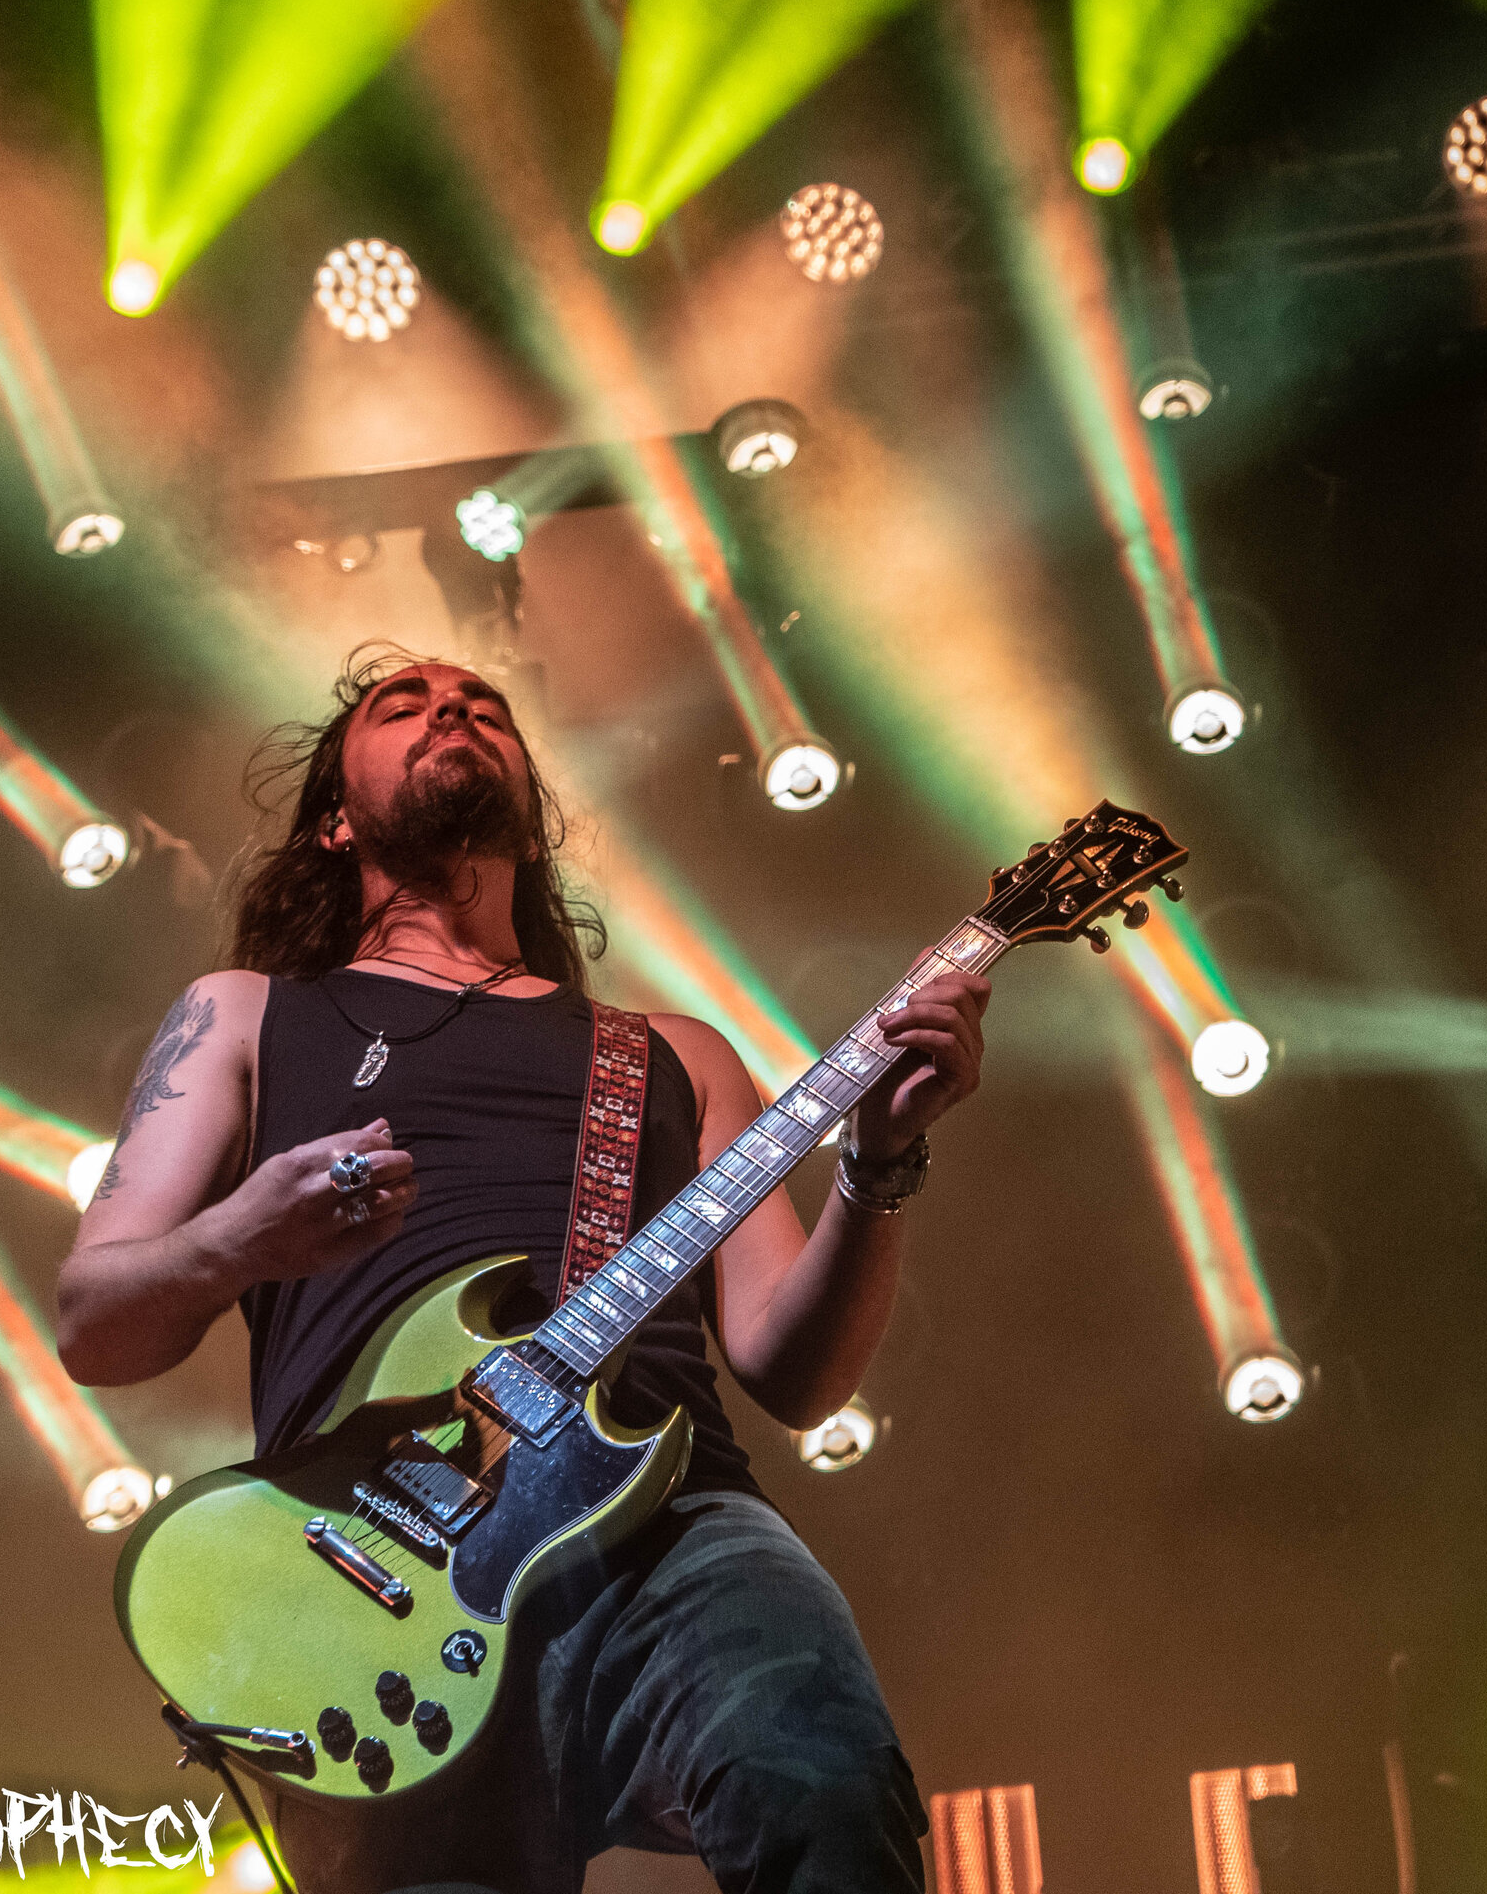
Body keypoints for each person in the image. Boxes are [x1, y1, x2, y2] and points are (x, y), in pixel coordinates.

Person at [55, 647, 991, 1894]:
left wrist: (879, 1163)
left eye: (482, 706)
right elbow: (93, 1324)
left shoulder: (669, 1054)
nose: (450, 708)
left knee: (819, 1786)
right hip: (370, 1578)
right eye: (403, 705)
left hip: (670, 1520)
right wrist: (249, 1234)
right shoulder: (245, 1014)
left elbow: (793, 1367)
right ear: (335, 818)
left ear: (534, 816)